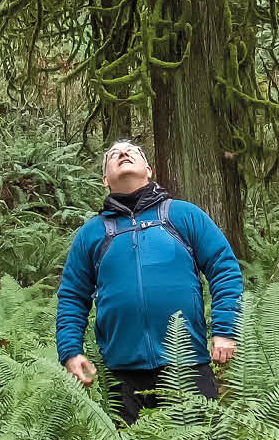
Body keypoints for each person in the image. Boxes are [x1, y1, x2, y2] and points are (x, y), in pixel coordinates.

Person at [55, 139, 243, 423]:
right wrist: (70, 352)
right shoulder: (91, 234)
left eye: (132, 151)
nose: (123, 154)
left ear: (149, 170)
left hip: (188, 365)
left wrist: (225, 330)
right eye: (114, 154)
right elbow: (72, 297)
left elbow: (224, 267)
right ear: (105, 179)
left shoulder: (183, 215)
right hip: (122, 375)